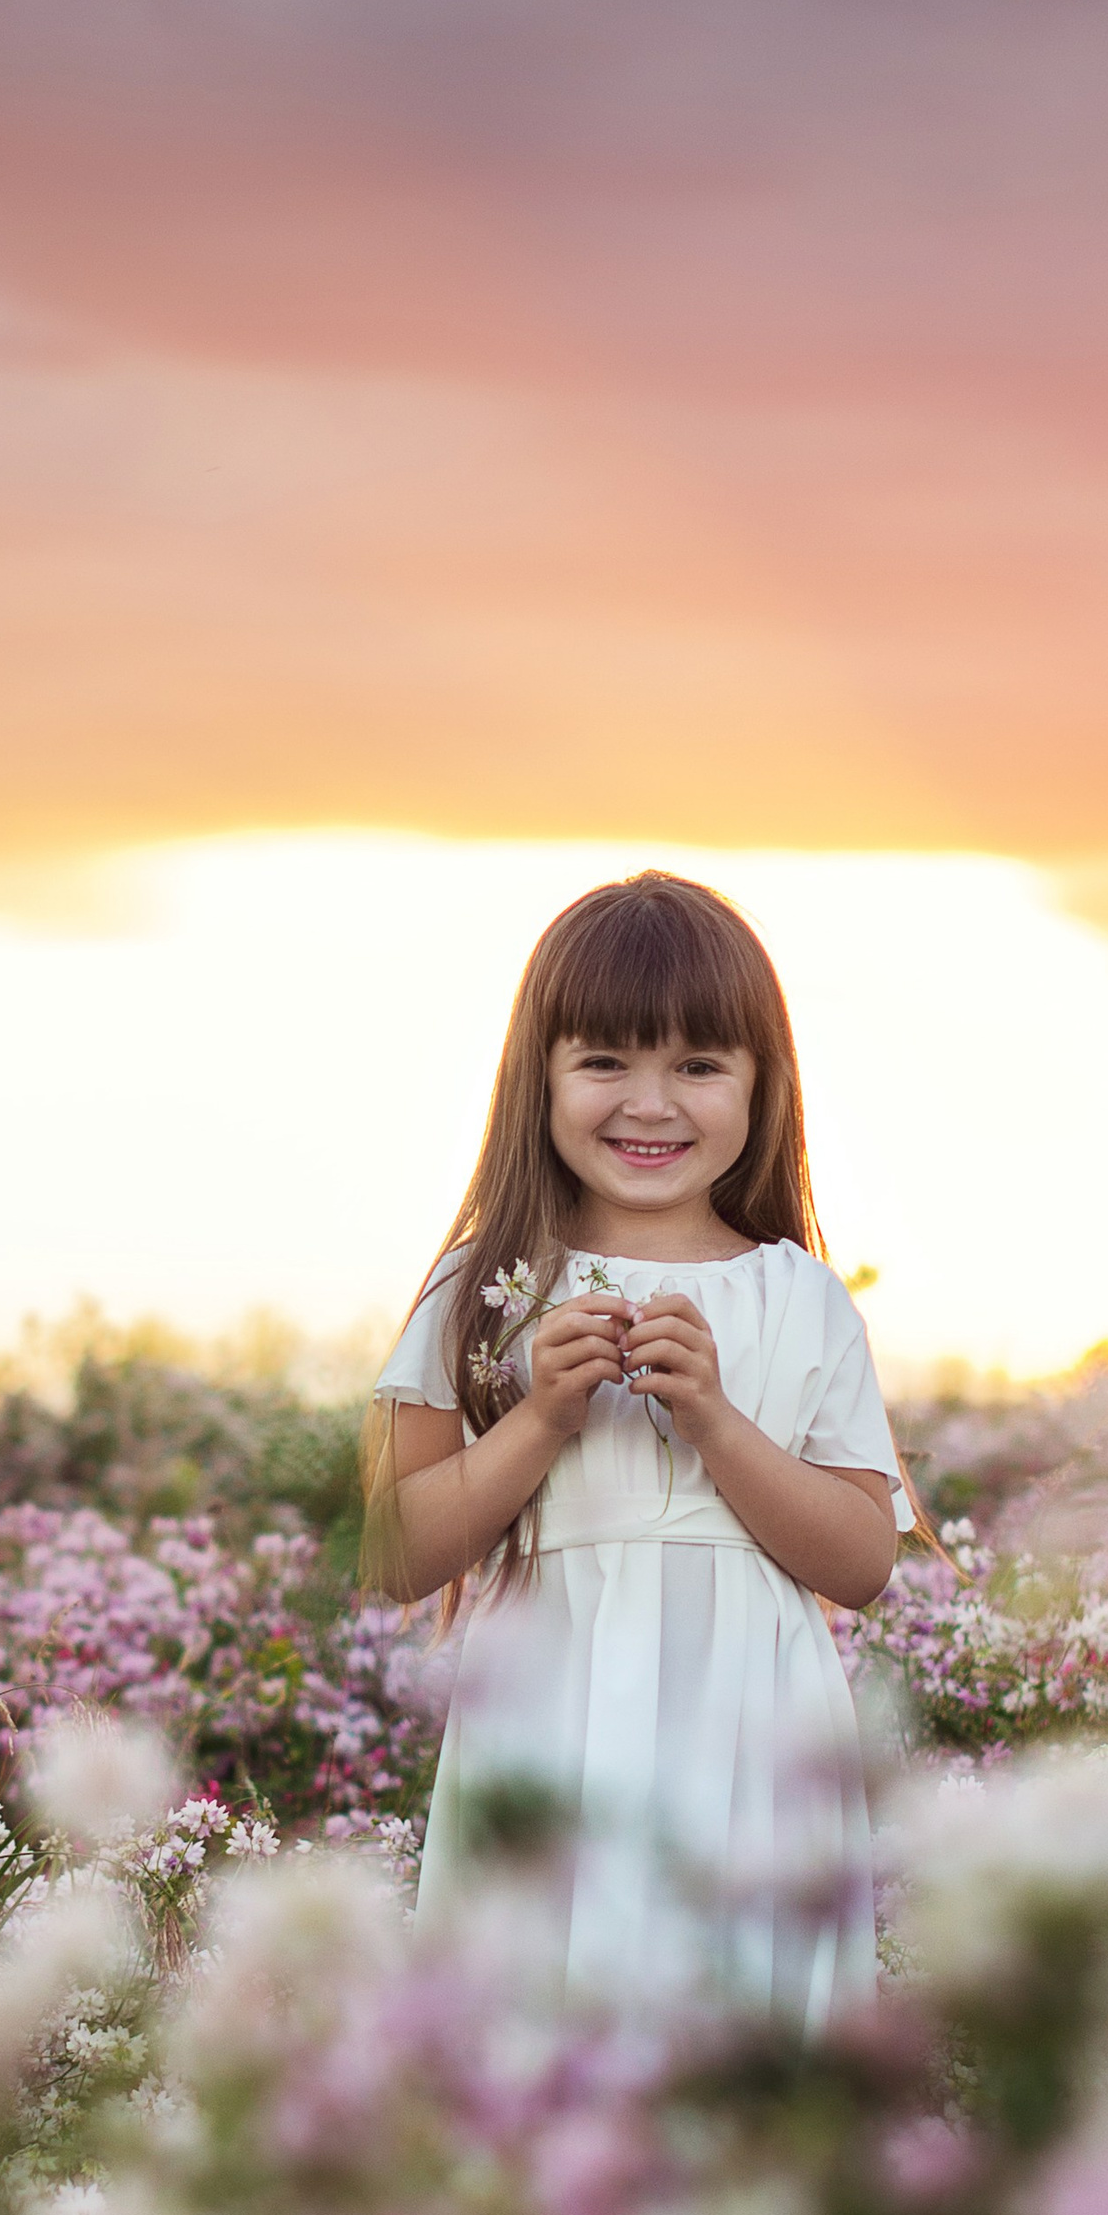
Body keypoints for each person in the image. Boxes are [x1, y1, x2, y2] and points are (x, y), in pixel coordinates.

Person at [365, 869, 912, 2028]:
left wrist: (715, 1421)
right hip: (547, 1720)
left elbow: (862, 1562)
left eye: (700, 1066)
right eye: (605, 1061)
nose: (650, 1103)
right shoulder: (481, 1289)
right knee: (542, 2009)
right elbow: (394, 1554)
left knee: (737, 2016)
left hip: (750, 1735)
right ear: (541, 1077)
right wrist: (540, 1418)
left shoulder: (799, 1298)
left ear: (763, 1088)